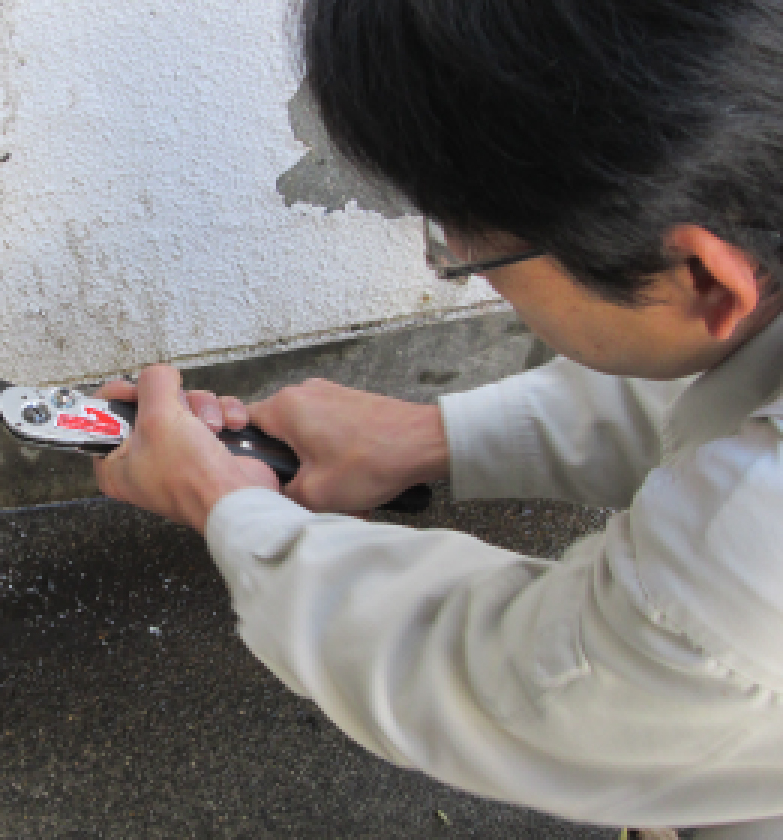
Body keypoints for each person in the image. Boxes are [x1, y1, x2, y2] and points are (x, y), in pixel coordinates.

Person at [92, 2, 783, 838]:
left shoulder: (749, 572)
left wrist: (232, 511)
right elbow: (725, 380)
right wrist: (432, 437)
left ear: (704, 275)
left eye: (478, 249)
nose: (464, 256)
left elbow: (518, 688)